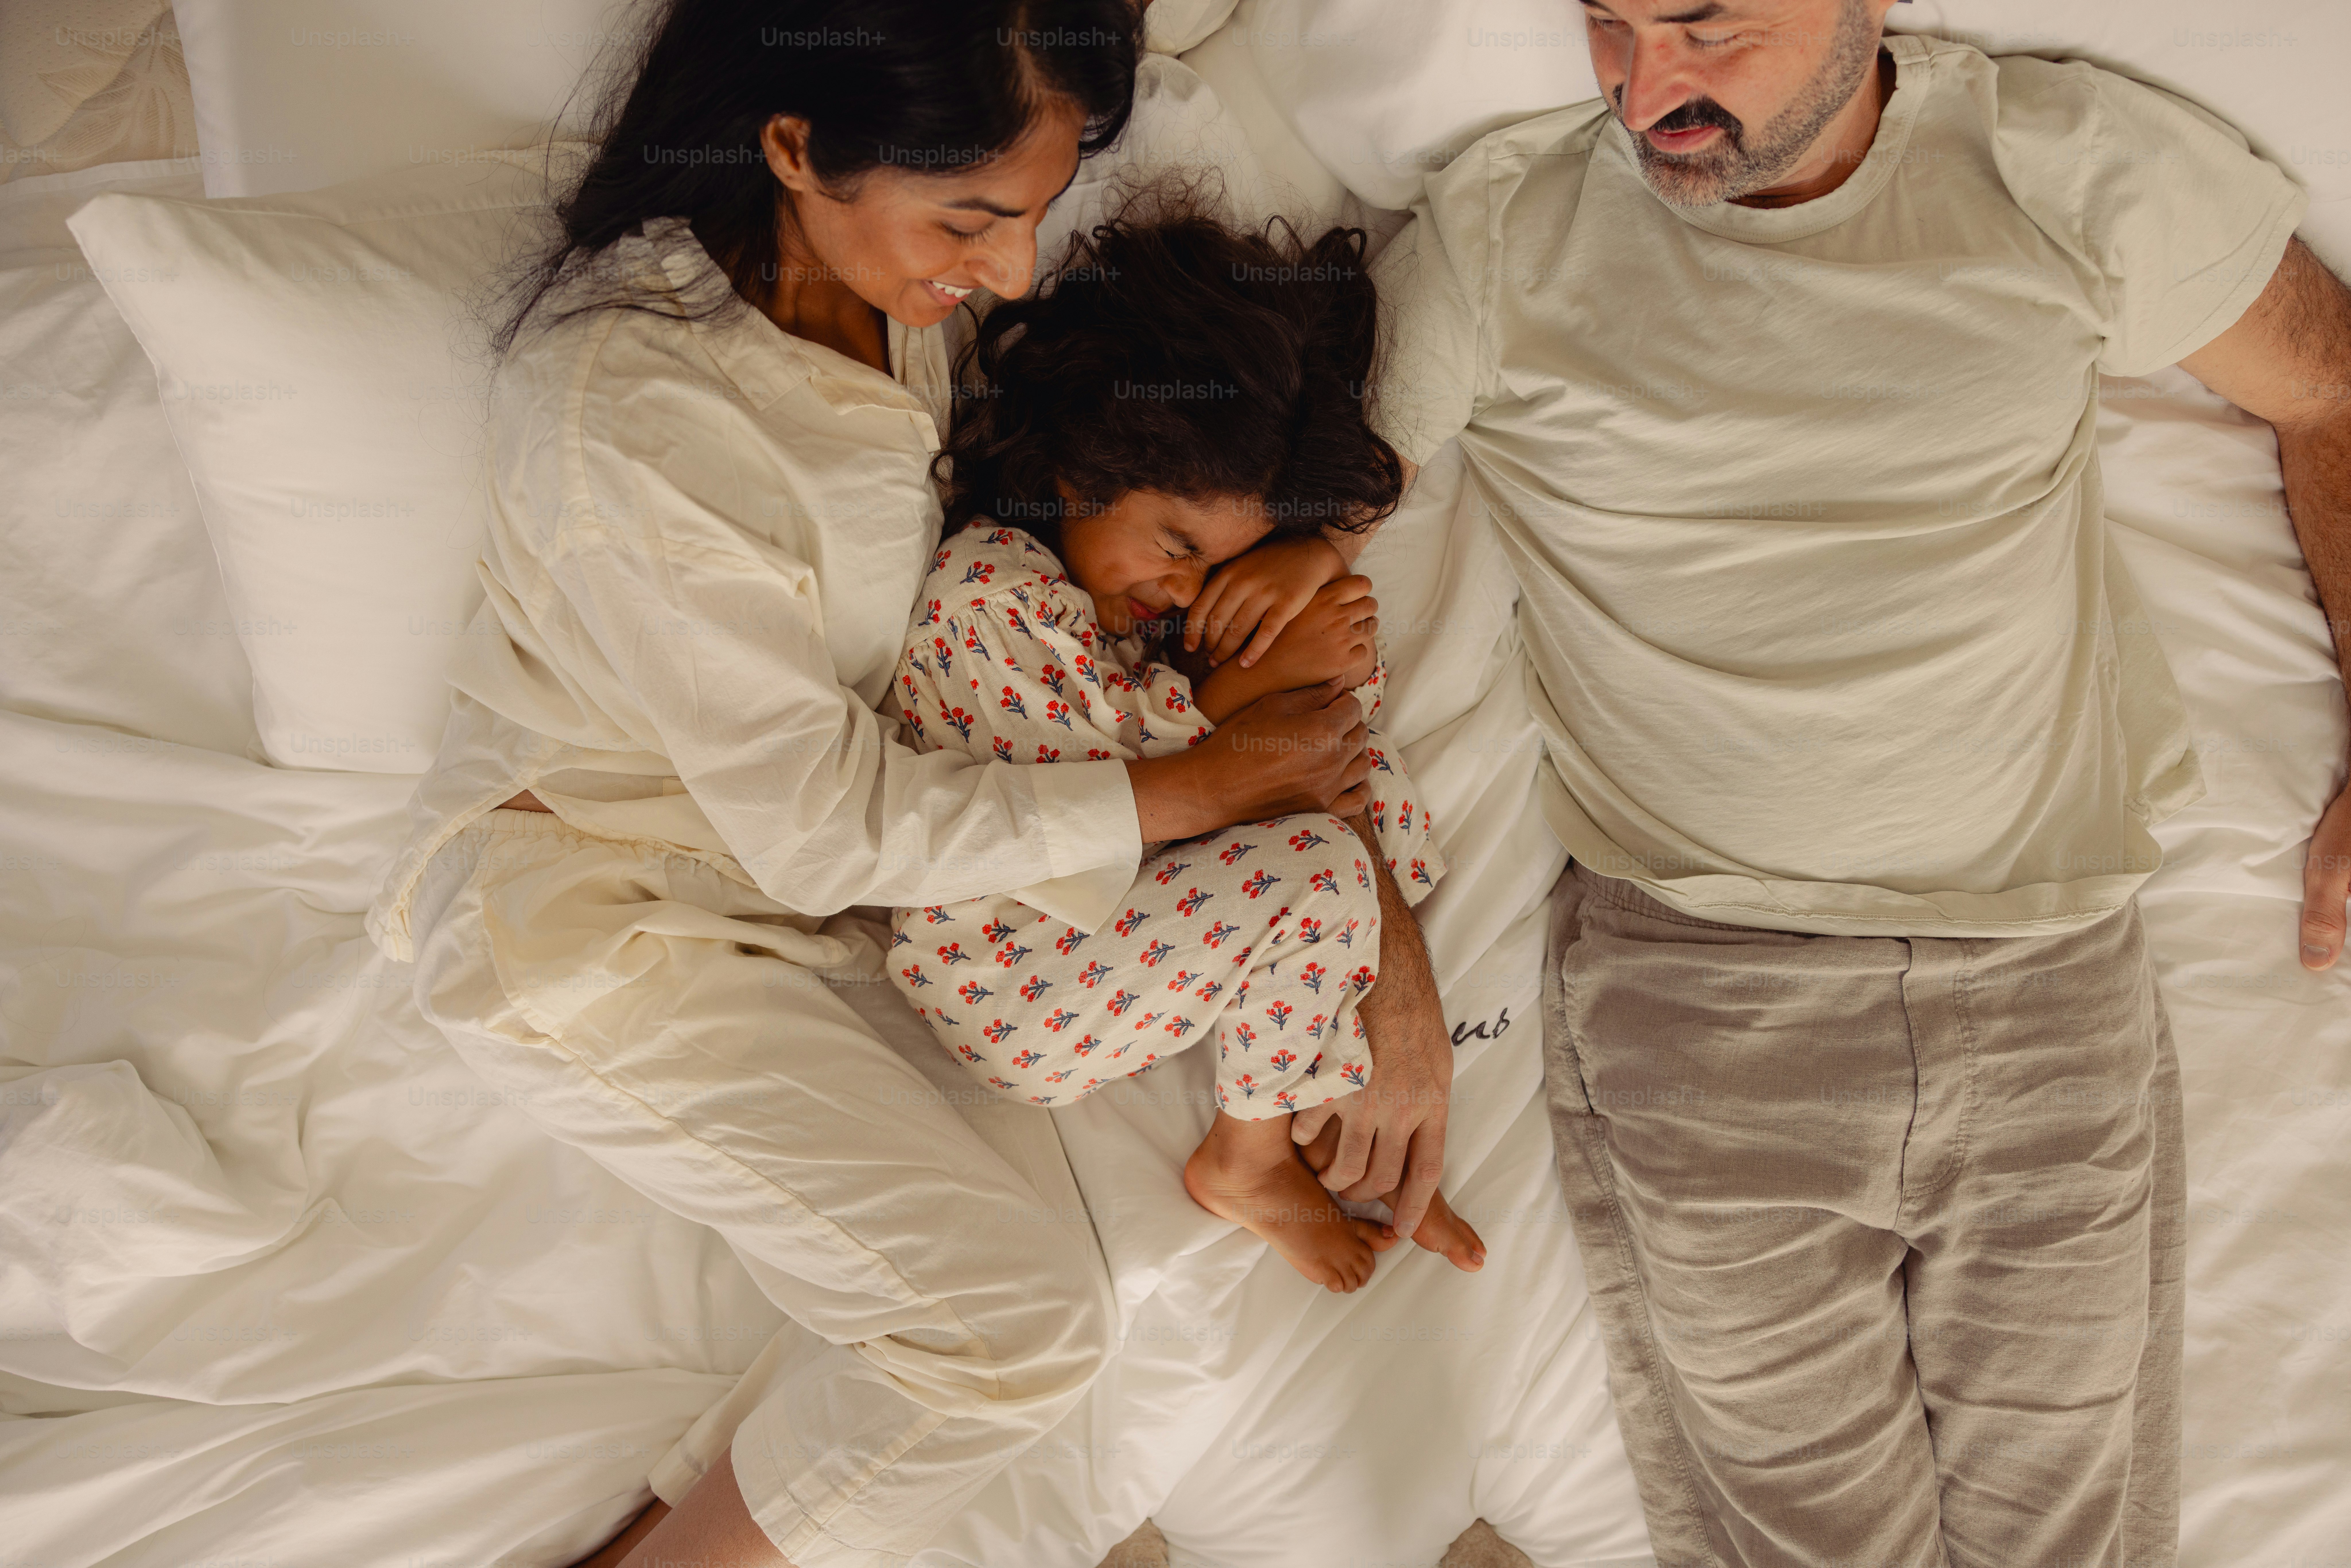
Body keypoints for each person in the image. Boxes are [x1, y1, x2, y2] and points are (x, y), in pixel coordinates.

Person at [361, 4, 1443, 1566]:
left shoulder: (884, 287)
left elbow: (1155, 438)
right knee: (1017, 1329)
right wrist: (1203, 785)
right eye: (975, 221)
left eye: (1034, 216)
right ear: (796, 147)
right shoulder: (642, 418)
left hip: (844, 907)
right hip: (608, 921)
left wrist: (1299, 552)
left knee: (1044, 1273)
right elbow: (817, 823)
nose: (1007, 272)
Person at [1363, 0, 2351, 1563]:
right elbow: (1281, 569)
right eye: (1610, 27)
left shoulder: (2052, 165)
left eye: (1704, 27)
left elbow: (2328, 386)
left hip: (2044, 980)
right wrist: (1370, 941)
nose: (1649, 88)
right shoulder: (1503, 237)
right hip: (1705, 996)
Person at [885, 212, 1486, 1292]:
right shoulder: (987, 593)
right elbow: (1113, 796)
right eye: (1177, 546)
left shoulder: (1141, 616)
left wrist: (1294, 625)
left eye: (1217, 566)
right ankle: (1246, 1156)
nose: (1182, 587)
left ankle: (1329, 1109)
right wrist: (1245, 687)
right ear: (1078, 473)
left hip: (1122, 961)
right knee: (1323, 864)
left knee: (1340, 824)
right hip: (1013, 972)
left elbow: (1308, 750)